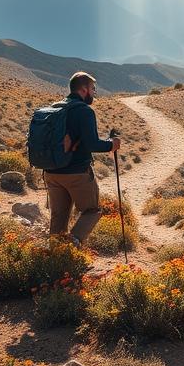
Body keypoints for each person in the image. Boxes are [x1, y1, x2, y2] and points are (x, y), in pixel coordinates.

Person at [42, 72, 121, 246]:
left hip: (51, 172)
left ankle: (55, 255)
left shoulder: (55, 107)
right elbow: (92, 144)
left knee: (59, 216)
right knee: (92, 210)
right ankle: (71, 246)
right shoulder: (84, 111)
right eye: (93, 89)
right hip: (77, 172)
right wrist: (111, 144)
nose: (94, 93)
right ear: (84, 89)